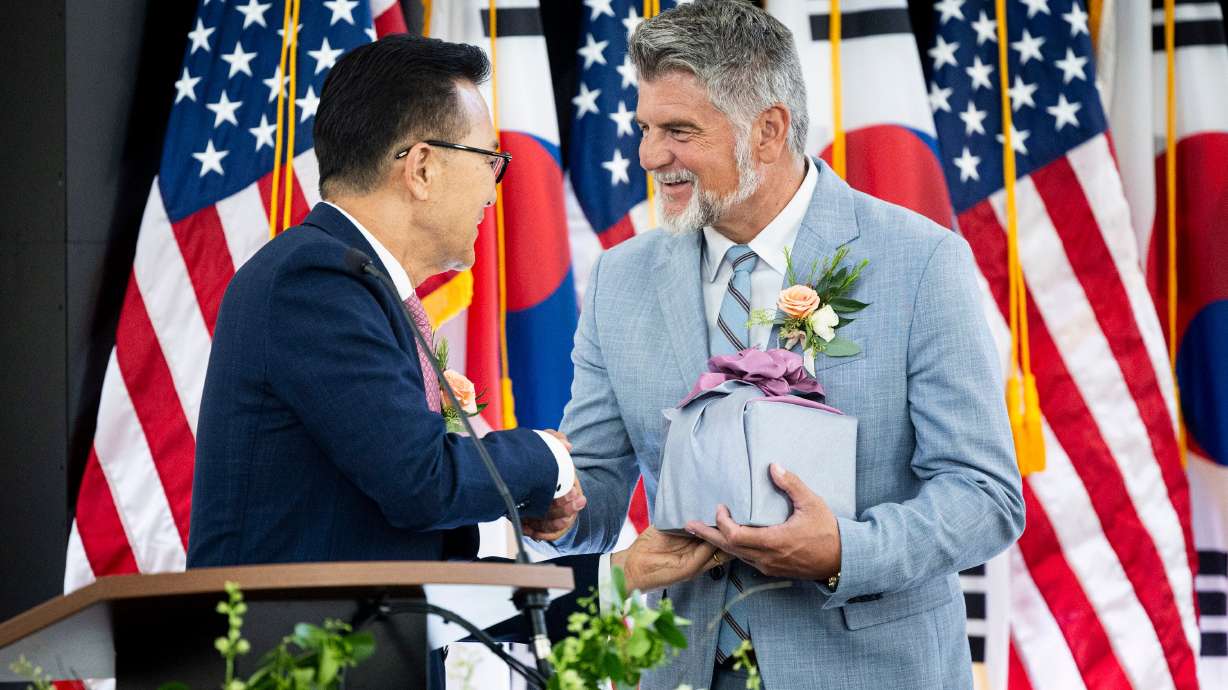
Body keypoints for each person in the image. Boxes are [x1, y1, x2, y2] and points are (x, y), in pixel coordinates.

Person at [187, 33, 716, 687]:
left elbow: (420, 579)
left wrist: (617, 576)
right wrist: (548, 459)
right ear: (422, 168)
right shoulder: (314, 279)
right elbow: (422, 482)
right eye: (490, 159)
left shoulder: (351, 283)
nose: (495, 188)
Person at [537, 2, 1026, 689]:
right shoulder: (620, 277)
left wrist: (846, 551)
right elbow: (595, 493)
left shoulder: (919, 261)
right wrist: (537, 491)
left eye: (679, 131)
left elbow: (984, 496)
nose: (649, 156)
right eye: (645, 127)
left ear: (768, 131)